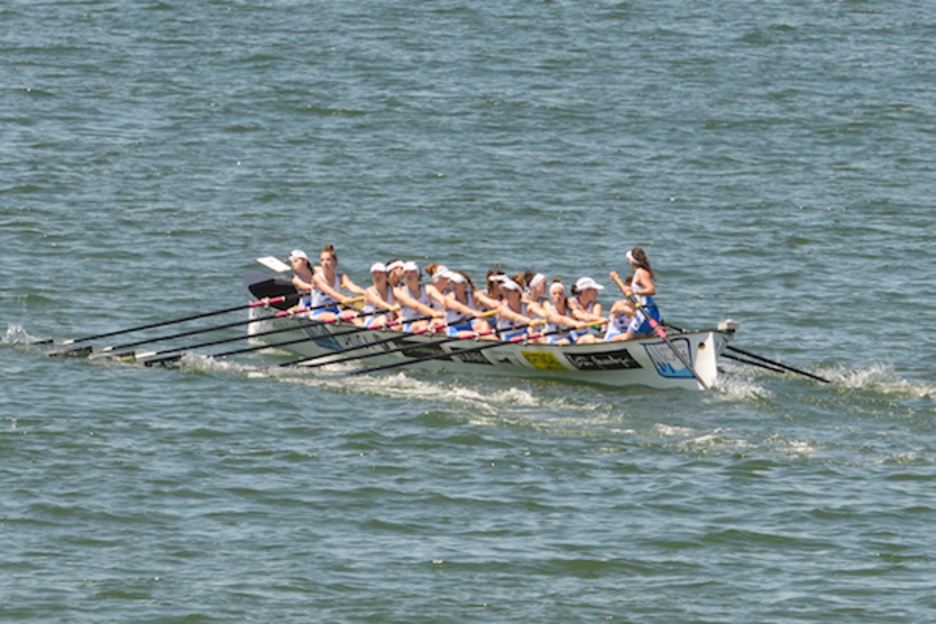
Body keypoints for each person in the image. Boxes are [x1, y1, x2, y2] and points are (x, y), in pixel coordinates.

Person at [610, 247, 661, 340]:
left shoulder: (641, 273)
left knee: (627, 340)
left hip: (645, 312)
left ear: (631, 262)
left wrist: (635, 292)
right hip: (651, 312)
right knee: (647, 340)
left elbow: (652, 290)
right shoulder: (640, 273)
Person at [309, 244, 366, 322]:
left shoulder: (341, 277)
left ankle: (364, 333)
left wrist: (367, 293)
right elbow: (330, 292)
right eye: (322, 260)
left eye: (328, 260)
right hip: (318, 312)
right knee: (332, 317)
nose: (325, 263)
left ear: (334, 262)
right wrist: (344, 298)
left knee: (355, 315)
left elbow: (353, 287)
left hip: (335, 311)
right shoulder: (317, 277)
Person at [393, 261, 443, 332]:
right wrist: (434, 313)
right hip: (409, 324)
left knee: (440, 321)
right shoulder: (402, 293)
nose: (409, 275)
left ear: (418, 274)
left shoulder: (428, 289)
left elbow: (443, 300)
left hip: (427, 322)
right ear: (404, 276)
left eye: (412, 272)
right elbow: (417, 306)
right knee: (423, 323)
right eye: (406, 272)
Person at [540, 280, 590, 345]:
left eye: (560, 293)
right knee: (565, 342)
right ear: (551, 297)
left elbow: (582, 316)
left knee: (589, 338)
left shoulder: (569, 310)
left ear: (564, 295)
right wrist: (577, 323)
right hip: (554, 340)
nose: (557, 296)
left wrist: (599, 319)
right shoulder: (549, 312)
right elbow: (562, 319)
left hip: (569, 338)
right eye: (554, 294)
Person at [443, 270, 489, 337]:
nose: (453, 286)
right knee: (478, 334)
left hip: (469, 326)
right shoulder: (448, 298)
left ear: (464, 284)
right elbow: (459, 307)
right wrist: (473, 312)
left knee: (484, 323)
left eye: (456, 283)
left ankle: (488, 341)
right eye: (452, 283)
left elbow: (490, 302)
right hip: (454, 331)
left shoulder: (472, 295)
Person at [358, 262, 399, 329]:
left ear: (386, 276)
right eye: (374, 274)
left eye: (380, 273)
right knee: (383, 318)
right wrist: (394, 308)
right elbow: (379, 303)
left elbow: (403, 298)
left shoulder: (392, 290)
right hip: (371, 324)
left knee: (403, 318)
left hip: (388, 324)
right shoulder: (370, 291)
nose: (377, 276)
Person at [568, 276, 607, 344]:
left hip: (586, 335)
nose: (597, 293)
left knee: (608, 340)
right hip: (570, 336)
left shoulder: (596, 305)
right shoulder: (571, 302)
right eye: (594, 290)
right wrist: (600, 318)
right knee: (590, 338)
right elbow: (578, 315)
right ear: (585, 290)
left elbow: (595, 318)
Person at [603, 276, 635, 342]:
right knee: (627, 336)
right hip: (613, 336)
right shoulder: (619, 304)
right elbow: (629, 312)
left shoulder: (639, 306)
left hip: (630, 336)